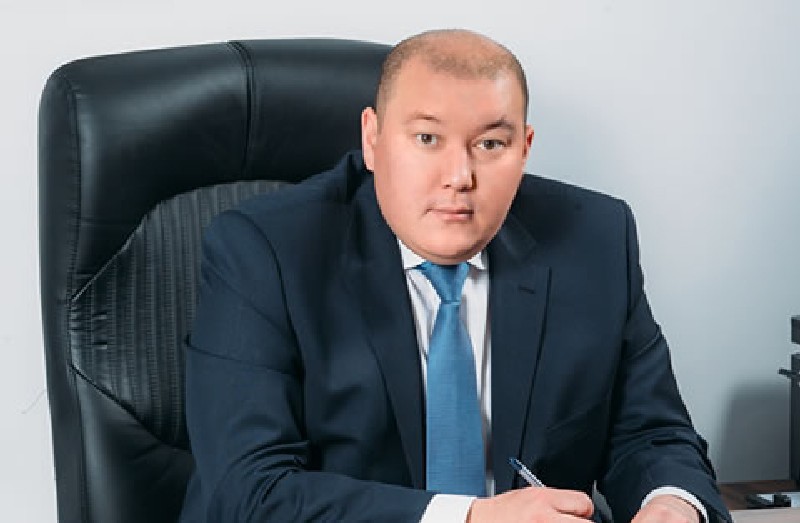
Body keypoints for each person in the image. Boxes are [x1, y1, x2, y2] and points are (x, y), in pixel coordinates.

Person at [180, 29, 731, 522]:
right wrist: (470, 519)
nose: (459, 176)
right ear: (372, 139)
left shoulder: (594, 240)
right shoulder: (265, 250)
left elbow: (653, 434)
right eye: (427, 139)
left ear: (524, 149)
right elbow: (249, 492)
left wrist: (672, 503)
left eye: (490, 144)